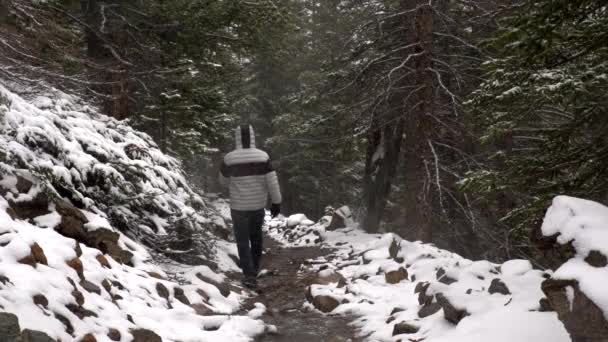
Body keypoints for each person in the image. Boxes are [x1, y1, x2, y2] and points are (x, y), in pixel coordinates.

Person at [219, 124, 282, 289]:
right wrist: (276, 202)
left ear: (237, 137)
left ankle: (248, 275)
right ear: (253, 136)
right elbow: (272, 182)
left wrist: (236, 182)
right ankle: (253, 270)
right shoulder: (263, 157)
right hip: (257, 206)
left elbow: (223, 182)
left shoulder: (229, 158)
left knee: (242, 240)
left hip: (238, 206)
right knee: (256, 238)